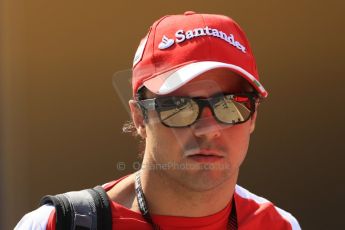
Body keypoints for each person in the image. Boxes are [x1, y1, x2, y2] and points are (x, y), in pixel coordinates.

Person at [15, 11, 301, 229]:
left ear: (252, 118)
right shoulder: (56, 224)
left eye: (230, 105)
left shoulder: (279, 224)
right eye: (179, 106)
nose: (208, 129)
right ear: (139, 116)